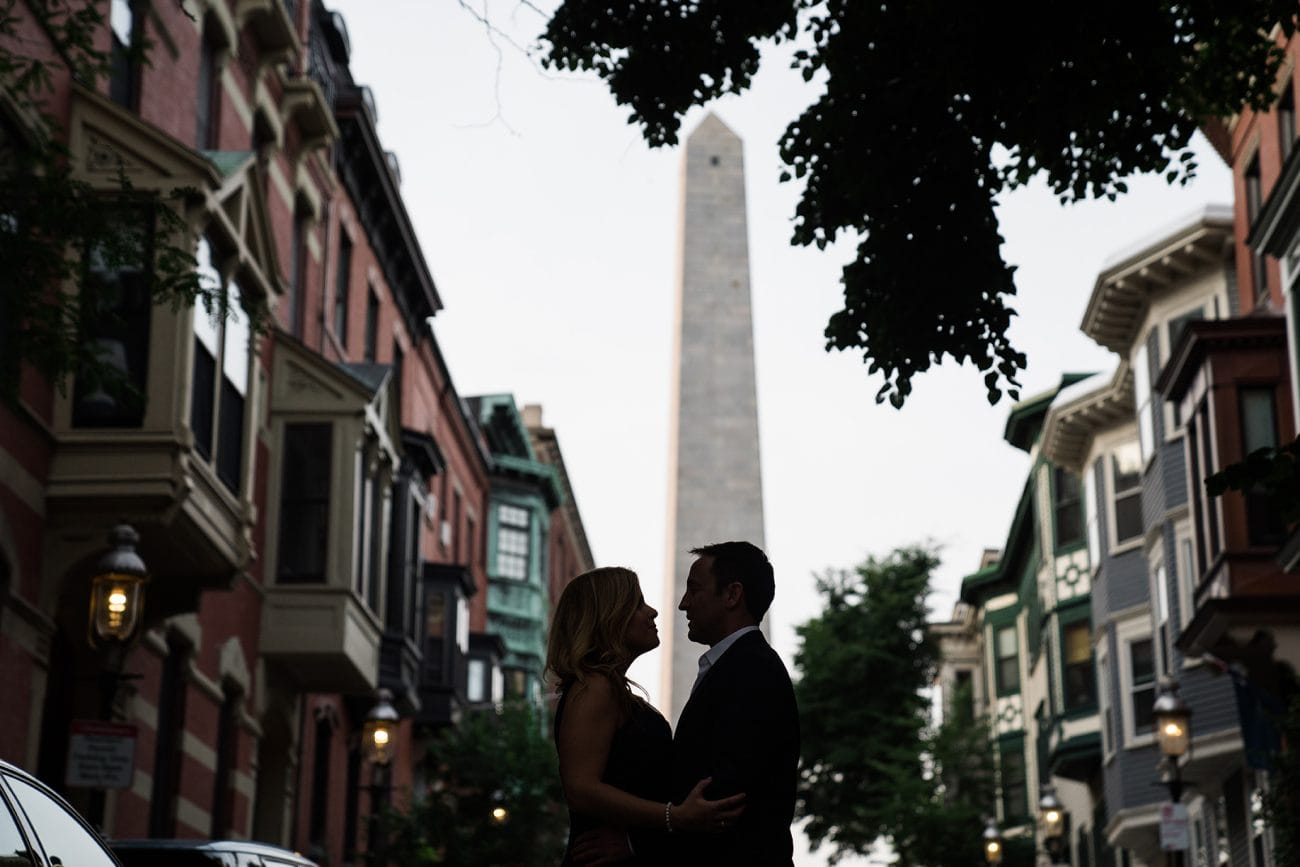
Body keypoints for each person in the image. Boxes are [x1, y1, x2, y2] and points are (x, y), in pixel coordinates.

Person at [547, 566, 745, 866]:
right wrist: (674, 817)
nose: (652, 611)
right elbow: (581, 788)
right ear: (610, 615)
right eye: (637, 603)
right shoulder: (595, 686)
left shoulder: (609, 690)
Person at [671, 541, 800, 867]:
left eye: (693, 590)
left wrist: (637, 841)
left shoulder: (751, 670)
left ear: (732, 595)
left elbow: (722, 796)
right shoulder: (740, 665)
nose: (683, 604)